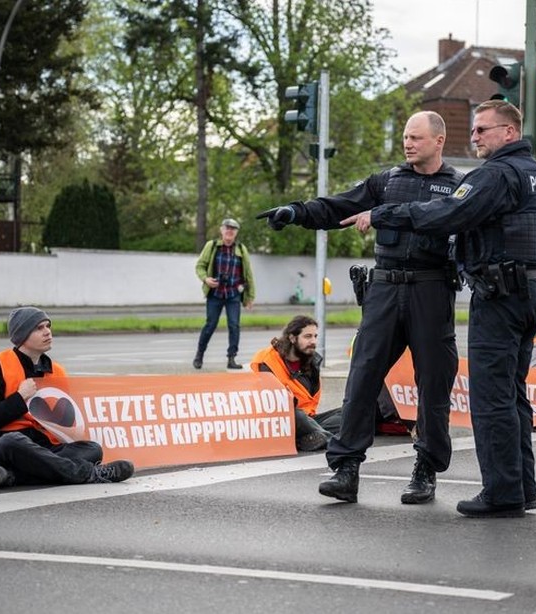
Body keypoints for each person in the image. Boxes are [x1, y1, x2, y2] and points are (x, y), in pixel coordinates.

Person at [346, 99, 536, 518]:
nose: (474, 136)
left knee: (492, 398)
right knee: (514, 396)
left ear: (509, 133)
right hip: (531, 290)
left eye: (483, 130)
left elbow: (448, 212)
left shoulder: (497, 174)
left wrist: (385, 214)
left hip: (501, 294)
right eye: (474, 130)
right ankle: (522, 487)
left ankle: (502, 492)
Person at [257, 111, 463, 505]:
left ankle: (426, 470)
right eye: (405, 136)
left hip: (431, 289)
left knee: (433, 384)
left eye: (416, 138)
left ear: (439, 141)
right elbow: (339, 207)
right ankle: (346, 468)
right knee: (363, 378)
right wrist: (297, 212)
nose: (407, 143)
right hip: (385, 288)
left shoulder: (457, 186)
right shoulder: (387, 181)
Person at [0, 307, 135, 487]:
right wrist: (20, 398)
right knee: (13, 441)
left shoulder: (56, 371)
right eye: (39, 328)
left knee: (92, 449)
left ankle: (10, 476)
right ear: (22, 335)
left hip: (42, 446)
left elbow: (64, 423)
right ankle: (88, 473)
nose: (47, 332)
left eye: (48, 326)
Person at [250, 315, 341, 452]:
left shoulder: (311, 361)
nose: (313, 341)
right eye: (308, 336)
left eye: (315, 336)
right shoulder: (267, 360)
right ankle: (328, 439)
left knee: (348, 412)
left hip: (310, 419)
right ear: (292, 338)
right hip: (283, 419)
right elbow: (274, 404)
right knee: (296, 414)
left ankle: (310, 437)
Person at [193, 218, 255, 370]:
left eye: (233, 229)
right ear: (221, 230)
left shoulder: (241, 249)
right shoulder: (212, 246)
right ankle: (199, 354)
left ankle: (231, 358)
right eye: (227, 228)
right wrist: (205, 279)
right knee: (210, 325)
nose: (230, 231)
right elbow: (200, 266)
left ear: (236, 232)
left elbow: (248, 274)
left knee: (234, 326)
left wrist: (250, 297)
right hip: (215, 294)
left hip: (233, 294)